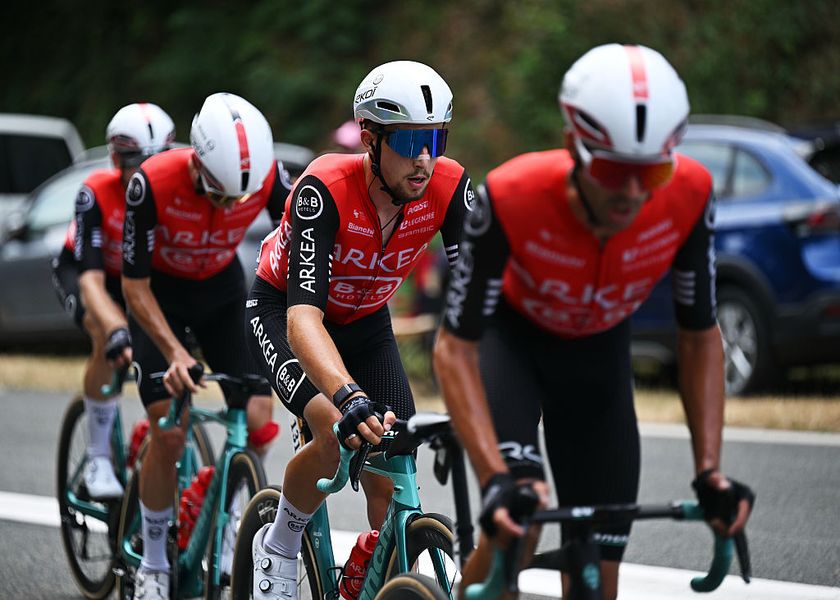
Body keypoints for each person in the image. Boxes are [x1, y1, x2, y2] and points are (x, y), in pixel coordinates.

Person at [433, 44, 755, 600]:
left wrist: (709, 472)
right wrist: (494, 478)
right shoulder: (510, 197)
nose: (632, 192)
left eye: (651, 171)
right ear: (573, 148)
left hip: (599, 355)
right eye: (612, 170)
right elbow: (453, 348)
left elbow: (700, 332)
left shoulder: (690, 194)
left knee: (599, 576)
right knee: (521, 525)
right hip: (510, 346)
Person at [244, 60, 475, 599]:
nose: (424, 159)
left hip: (367, 319)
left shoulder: (450, 184)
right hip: (286, 311)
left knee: (394, 454)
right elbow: (304, 318)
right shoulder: (322, 187)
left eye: (435, 138)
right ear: (370, 138)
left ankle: (376, 572)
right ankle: (278, 545)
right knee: (331, 431)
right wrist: (346, 394)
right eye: (412, 140)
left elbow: (478, 303)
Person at [121, 92, 289, 598]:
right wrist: (174, 351)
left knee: (259, 412)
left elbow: (311, 238)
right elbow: (133, 286)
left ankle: (225, 498)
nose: (230, 208)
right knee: (170, 431)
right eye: (219, 197)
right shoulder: (148, 186)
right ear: (195, 160)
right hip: (160, 299)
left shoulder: (267, 176)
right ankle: (152, 563)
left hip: (221, 292)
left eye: (241, 200)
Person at [52, 102, 175, 499]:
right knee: (108, 339)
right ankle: (98, 456)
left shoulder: (172, 195)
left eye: (157, 165)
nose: (146, 176)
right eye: (137, 165)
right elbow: (89, 278)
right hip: (88, 274)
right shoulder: (96, 192)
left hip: (137, 280)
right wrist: (116, 328)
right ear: (115, 159)